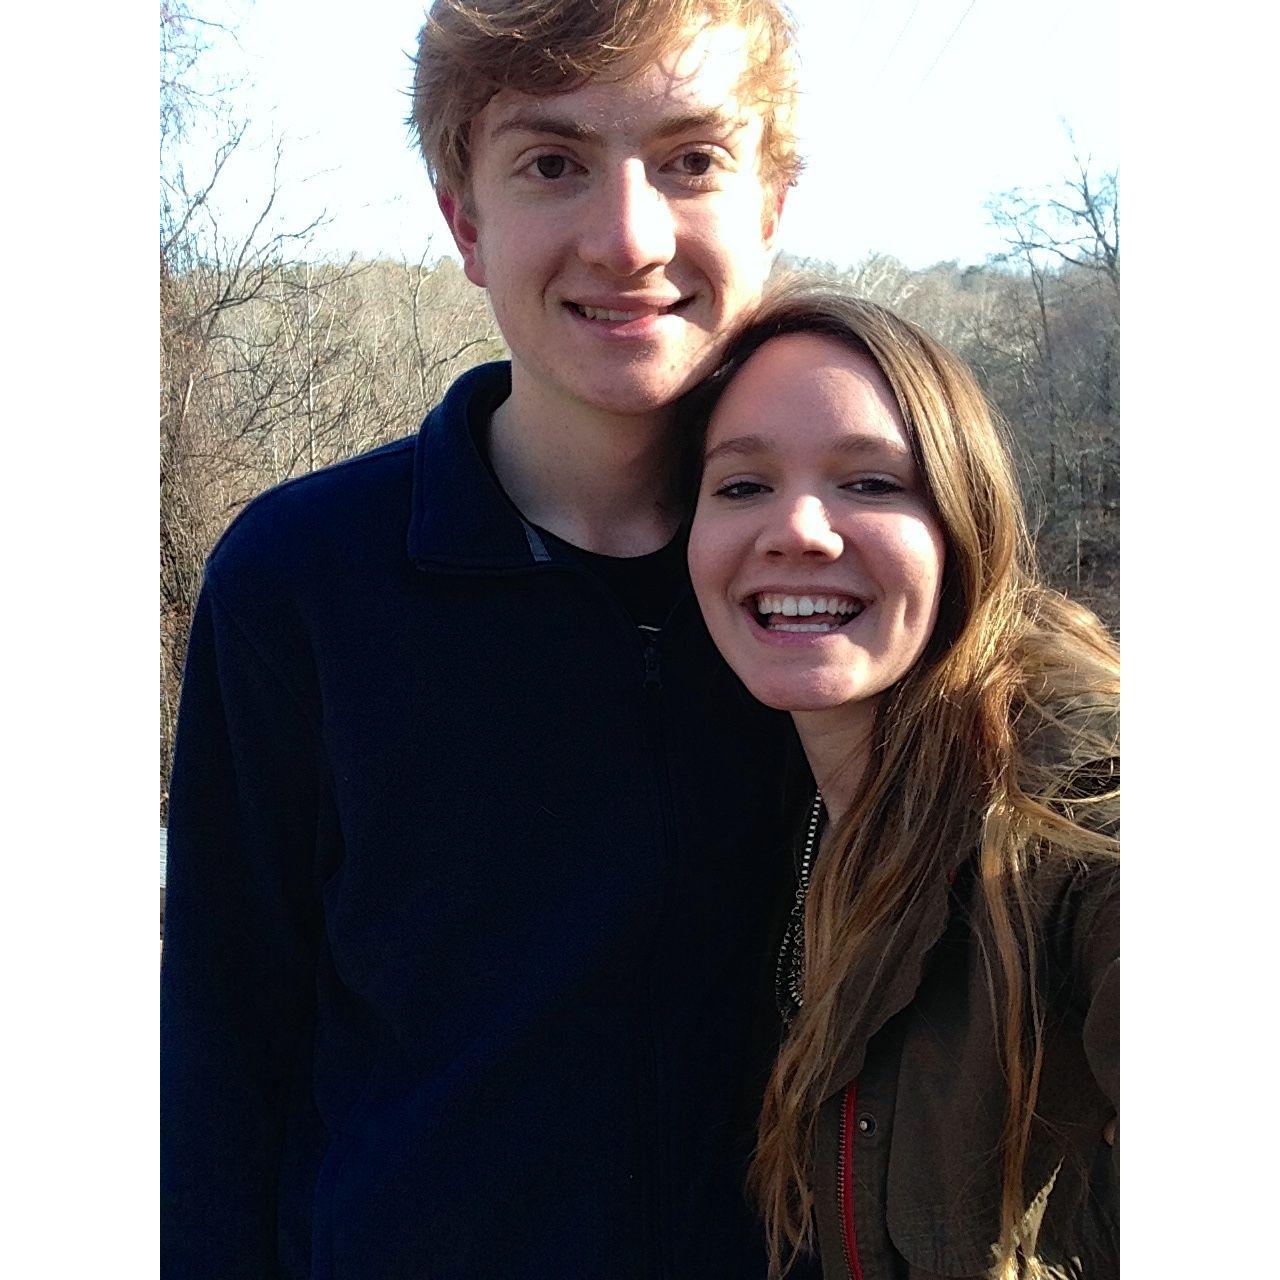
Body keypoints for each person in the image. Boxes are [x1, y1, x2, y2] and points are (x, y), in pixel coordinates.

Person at [160, 2, 807, 1276]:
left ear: (772, 202)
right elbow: (221, 1064)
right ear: (464, 220)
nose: (626, 238)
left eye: (690, 159)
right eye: (551, 163)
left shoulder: (839, 586)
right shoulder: (300, 581)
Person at [685, 282, 1120, 1280]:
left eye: (870, 483)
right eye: (740, 484)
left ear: (961, 520)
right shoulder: (784, 808)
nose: (798, 527)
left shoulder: (1079, 798)